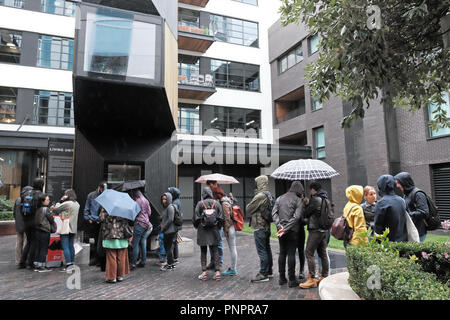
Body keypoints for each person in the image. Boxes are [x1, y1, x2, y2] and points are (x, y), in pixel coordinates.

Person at [272, 181, 305, 287]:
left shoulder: (279, 198)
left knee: (282, 252)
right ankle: (291, 280)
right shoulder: (298, 200)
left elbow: (274, 213)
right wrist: (285, 228)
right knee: (291, 254)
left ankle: (282, 278)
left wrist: (280, 226)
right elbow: (297, 217)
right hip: (292, 231)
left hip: (281, 230)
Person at [300, 181, 332, 289]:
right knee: (322, 253)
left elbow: (306, 213)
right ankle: (324, 276)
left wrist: (305, 203)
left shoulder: (315, 199)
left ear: (313, 189)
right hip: (324, 230)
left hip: (315, 230)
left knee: (309, 252)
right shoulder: (325, 198)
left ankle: (312, 279)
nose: (310, 191)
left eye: (311, 189)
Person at [193, 186, 224, 281]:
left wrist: (198, 226)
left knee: (203, 251)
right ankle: (217, 272)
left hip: (203, 231)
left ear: (203, 194)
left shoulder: (200, 204)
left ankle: (204, 273)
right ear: (211, 193)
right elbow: (221, 219)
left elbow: (196, 218)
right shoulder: (217, 203)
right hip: (214, 230)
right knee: (215, 251)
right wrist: (217, 227)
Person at [246, 175, 273, 283]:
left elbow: (249, 209)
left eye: (257, 183)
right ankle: (269, 270)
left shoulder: (260, 196)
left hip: (259, 226)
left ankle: (263, 273)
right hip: (266, 226)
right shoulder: (268, 194)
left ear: (260, 183)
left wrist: (255, 195)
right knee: (267, 249)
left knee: (262, 251)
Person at [394, 172, 429, 242]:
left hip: (418, 231)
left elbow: (425, 212)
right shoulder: (406, 194)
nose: (397, 186)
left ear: (404, 182)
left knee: (416, 252)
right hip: (411, 229)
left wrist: (409, 214)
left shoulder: (418, 194)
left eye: (398, 183)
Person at [99, 207, 131, 283]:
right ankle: (120, 276)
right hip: (122, 235)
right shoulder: (124, 208)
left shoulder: (106, 207)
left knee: (111, 257)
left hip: (110, 235)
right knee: (121, 256)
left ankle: (112, 277)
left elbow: (101, 218)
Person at [212, 186, 238, 276]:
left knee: (232, 248)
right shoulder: (227, 200)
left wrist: (226, 230)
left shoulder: (224, 203)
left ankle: (233, 268)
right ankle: (233, 268)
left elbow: (227, 218)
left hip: (230, 228)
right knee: (233, 248)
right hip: (231, 227)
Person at [51, 189, 80, 271]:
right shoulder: (77, 204)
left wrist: (61, 200)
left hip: (66, 227)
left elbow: (56, 209)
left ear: (67, 195)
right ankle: (72, 263)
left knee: (65, 246)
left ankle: (68, 264)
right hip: (73, 228)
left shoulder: (67, 203)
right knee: (71, 246)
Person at [374, 175, 408, 242]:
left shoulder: (381, 204)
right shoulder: (401, 200)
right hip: (402, 242)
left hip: (388, 244)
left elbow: (378, 228)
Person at [19, 178, 44, 269]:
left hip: (26, 220)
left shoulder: (25, 194)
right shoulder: (40, 195)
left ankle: (22, 262)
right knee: (34, 242)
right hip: (35, 221)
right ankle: (30, 262)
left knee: (29, 241)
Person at [83, 182, 106, 268]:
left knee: (101, 241)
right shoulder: (91, 195)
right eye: (103, 189)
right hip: (94, 221)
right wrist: (88, 218)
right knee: (96, 240)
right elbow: (87, 207)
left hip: (102, 221)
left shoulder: (105, 195)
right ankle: (96, 258)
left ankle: (100, 259)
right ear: (99, 188)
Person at [130, 189, 152, 269]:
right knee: (142, 242)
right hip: (146, 223)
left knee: (135, 244)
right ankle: (143, 261)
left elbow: (134, 214)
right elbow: (149, 213)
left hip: (139, 224)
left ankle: (133, 263)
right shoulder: (146, 200)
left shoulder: (137, 201)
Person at [204, 180, 224, 270]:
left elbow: (221, 212)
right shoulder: (210, 195)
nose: (209, 186)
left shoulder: (220, 194)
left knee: (218, 244)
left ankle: (219, 262)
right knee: (211, 243)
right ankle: (213, 262)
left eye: (209, 184)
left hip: (217, 224)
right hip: (210, 224)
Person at [33, 193, 54, 272]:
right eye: (47, 200)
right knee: (44, 248)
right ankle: (42, 266)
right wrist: (51, 211)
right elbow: (51, 220)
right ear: (43, 201)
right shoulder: (46, 209)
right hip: (44, 231)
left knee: (38, 248)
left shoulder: (37, 208)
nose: (49, 201)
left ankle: (37, 265)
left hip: (37, 231)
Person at [14, 186, 32, 267]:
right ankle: (25, 260)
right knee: (26, 242)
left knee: (18, 243)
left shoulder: (18, 199)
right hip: (26, 224)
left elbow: (14, 213)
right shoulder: (29, 199)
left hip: (18, 225)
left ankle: (18, 260)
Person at [160, 192, 177, 271]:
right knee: (168, 247)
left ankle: (170, 263)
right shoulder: (166, 208)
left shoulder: (170, 207)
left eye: (165, 199)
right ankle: (171, 263)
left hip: (170, 231)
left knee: (168, 248)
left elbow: (170, 219)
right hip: (167, 231)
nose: (164, 201)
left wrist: (163, 227)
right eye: (163, 199)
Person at [168, 187, 182, 264]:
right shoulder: (177, 201)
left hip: (174, 225)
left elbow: (172, 215)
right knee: (175, 241)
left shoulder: (175, 203)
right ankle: (175, 257)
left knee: (172, 242)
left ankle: (173, 258)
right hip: (177, 224)